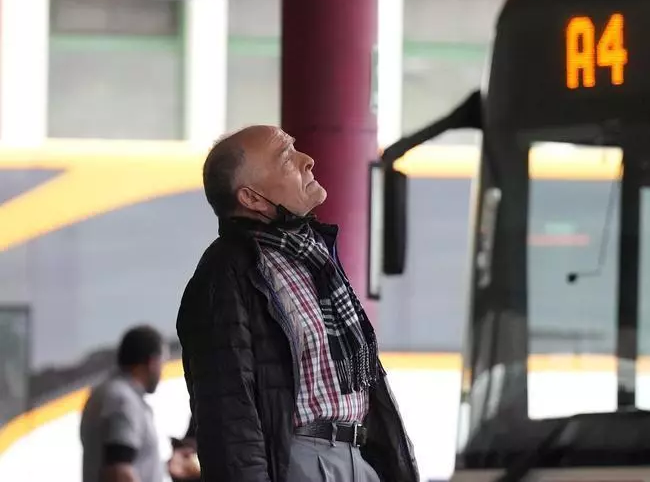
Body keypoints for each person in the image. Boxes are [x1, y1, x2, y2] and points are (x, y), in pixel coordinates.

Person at [176, 125, 419, 482]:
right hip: (302, 463)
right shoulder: (224, 275)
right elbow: (228, 415)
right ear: (252, 198)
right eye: (286, 157)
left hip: (358, 457)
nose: (307, 160)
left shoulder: (311, 257)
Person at [79, 325, 166, 482]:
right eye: (162, 363)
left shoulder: (106, 392)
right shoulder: (123, 400)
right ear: (152, 362)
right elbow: (119, 471)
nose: (162, 372)